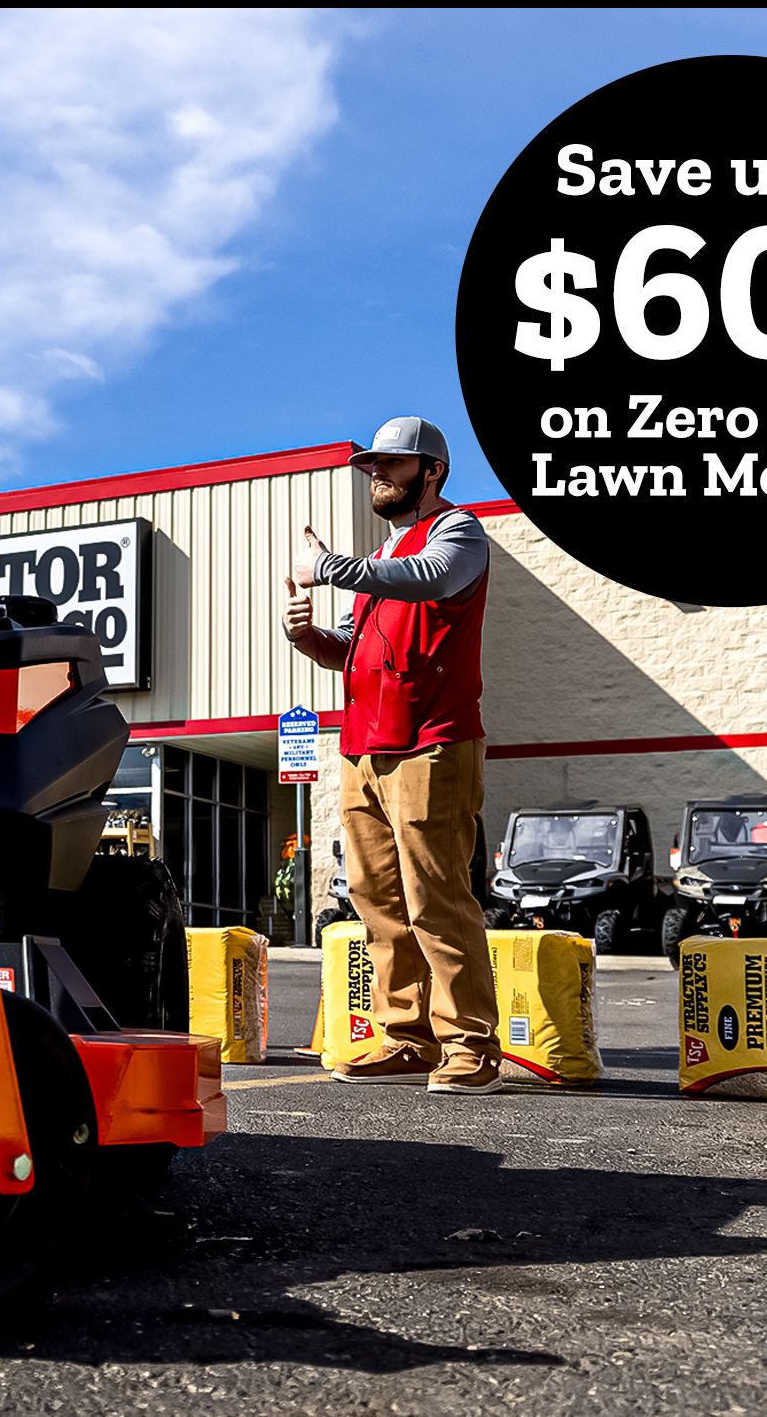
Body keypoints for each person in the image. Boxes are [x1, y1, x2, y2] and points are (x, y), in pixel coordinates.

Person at [281, 416, 503, 1094]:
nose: (376, 474)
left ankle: (473, 1046)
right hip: (363, 748)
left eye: (392, 464)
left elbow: (433, 580)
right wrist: (310, 638)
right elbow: (354, 648)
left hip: (433, 744)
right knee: (377, 900)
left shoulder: (455, 533)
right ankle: (409, 1038)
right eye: (372, 465)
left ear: (430, 471)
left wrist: (328, 566)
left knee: (437, 896)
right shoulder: (384, 561)